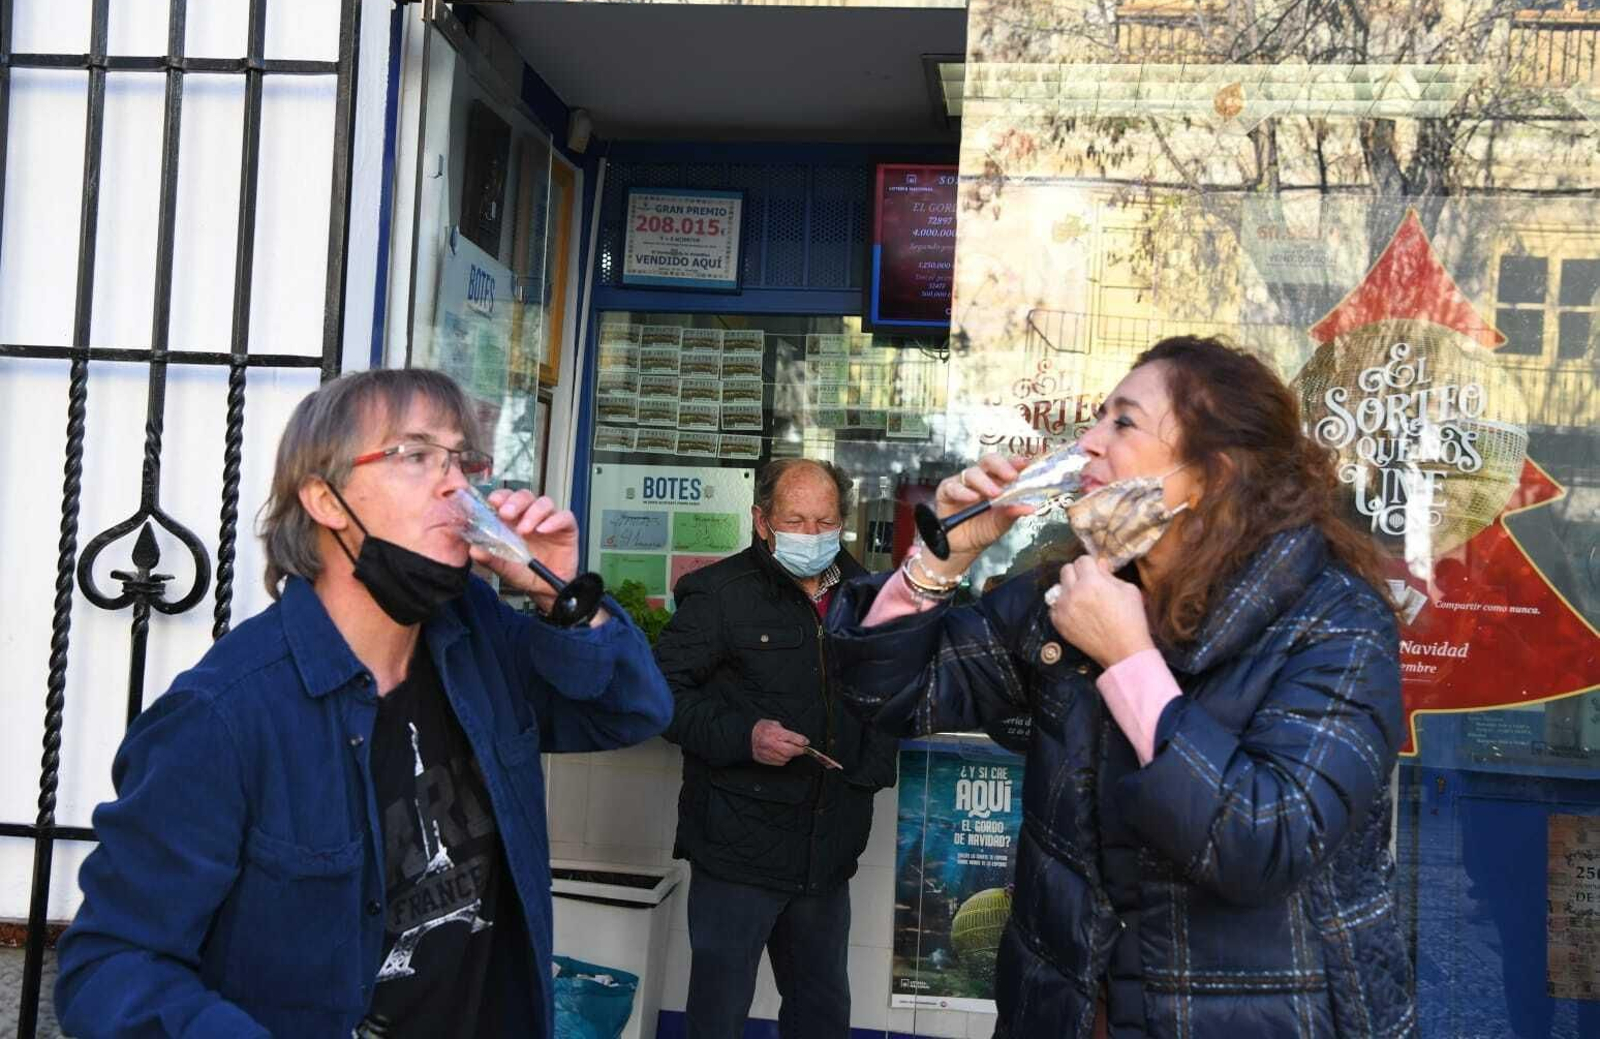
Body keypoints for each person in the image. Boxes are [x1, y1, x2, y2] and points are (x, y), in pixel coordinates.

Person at [55, 369, 673, 1038]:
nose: (457, 482)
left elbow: (630, 710)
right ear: (324, 498)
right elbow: (110, 964)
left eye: (462, 458)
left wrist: (562, 595)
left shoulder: (478, 642)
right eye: (415, 455)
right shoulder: (224, 715)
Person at [827, 336, 1416, 1038]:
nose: (1090, 442)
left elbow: (1265, 841)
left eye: (1123, 422)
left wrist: (1129, 657)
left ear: (1211, 474)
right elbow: (893, 694)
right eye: (1098, 419)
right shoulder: (1073, 594)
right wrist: (948, 552)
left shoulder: (1334, 622)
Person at [655, 458, 899, 1039]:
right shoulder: (719, 595)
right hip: (738, 848)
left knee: (821, 1015)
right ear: (763, 521)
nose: (813, 536)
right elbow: (659, 696)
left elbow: (891, 696)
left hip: (826, 853)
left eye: (826, 521)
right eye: (797, 520)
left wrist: (868, 773)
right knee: (719, 1015)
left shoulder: (867, 597)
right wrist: (745, 737)